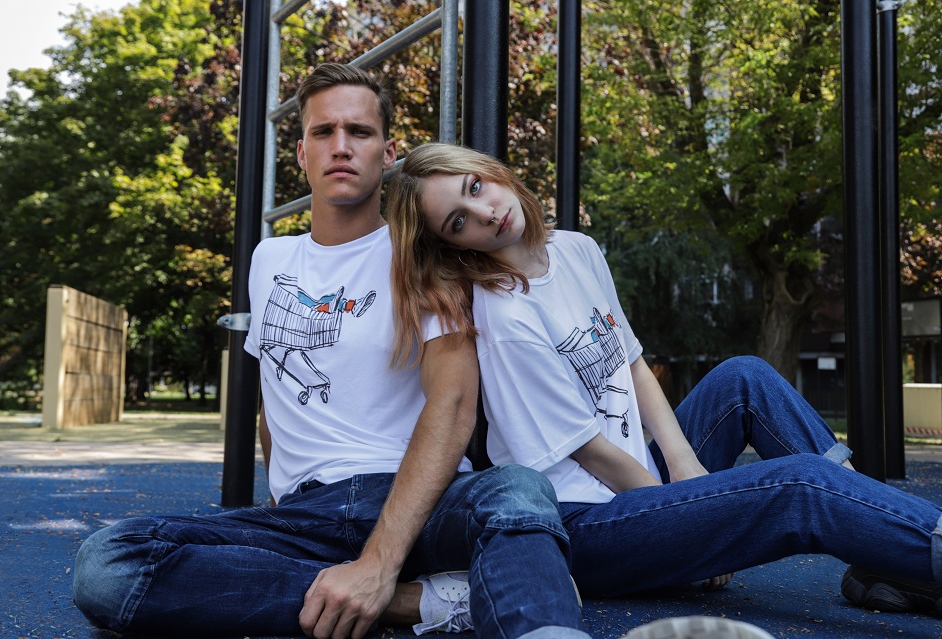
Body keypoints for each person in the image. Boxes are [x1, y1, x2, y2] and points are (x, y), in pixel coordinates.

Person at [71, 64, 589, 639]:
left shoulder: (420, 253)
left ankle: (532, 624)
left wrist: (379, 561)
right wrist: (281, 510)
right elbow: (275, 397)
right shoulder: (269, 260)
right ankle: (426, 602)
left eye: (359, 132)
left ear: (388, 152)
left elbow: (454, 403)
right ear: (301, 152)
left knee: (517, 489)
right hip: (306, 514)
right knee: (107, 563)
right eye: (323, 132)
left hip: (417, 500)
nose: (341, 146)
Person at [387, 142, 942, 621]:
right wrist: (684, 510)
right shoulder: (506, 317)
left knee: (743, 378)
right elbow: (590, 452)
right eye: (458, 221)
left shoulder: (575, 249)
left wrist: (683, 466)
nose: (484, 212)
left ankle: (880, 555)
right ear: (454, 245)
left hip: (640, 482)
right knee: (801, 485)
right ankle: (911, 548)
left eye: (476, 187)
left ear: (493, 172)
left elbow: (631, 365)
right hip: (587, 527)